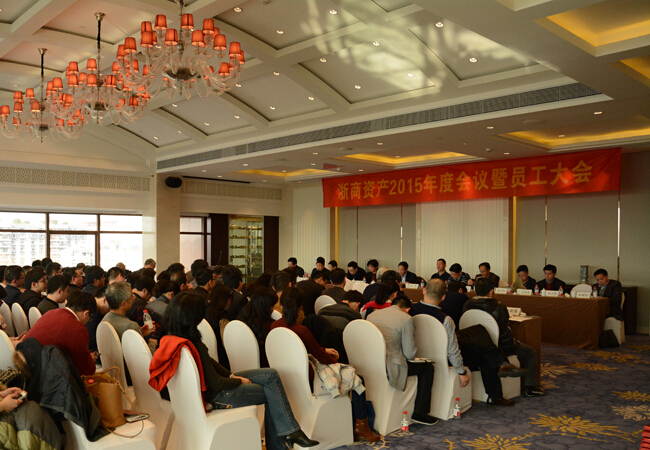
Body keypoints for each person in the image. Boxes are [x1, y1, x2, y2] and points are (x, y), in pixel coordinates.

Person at [150, 292, 319, 450]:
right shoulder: (194, 344)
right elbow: (217, 383)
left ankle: (289, 432)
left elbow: (211, 364)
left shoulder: (174, 338)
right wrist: (238, 380)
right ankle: (282, 441)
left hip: (209, 392)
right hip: (218, 395)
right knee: (271, 392)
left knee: (271, 375)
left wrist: (231, 374)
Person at [271, 288, 380, 442]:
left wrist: (323, 349)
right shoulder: (301, 330)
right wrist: (340, 365)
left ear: (281, 305)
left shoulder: (275, 326)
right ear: (301, 308)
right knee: (357, 378)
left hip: (287, 377)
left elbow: (301, 349)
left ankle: (359, 426)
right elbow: (322, 358)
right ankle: (361, 425)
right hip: (309, 379)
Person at [463, 278, 545, 397]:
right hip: (500, 346)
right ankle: (530, 387)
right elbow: (504, 325)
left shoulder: (467, 304)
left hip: (475, 345)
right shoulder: (498, 305)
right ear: (491, 291)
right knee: (531, 352)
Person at [367, 295, 437, 425]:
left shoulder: (372, 315)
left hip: (369, 363)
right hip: (390, 365)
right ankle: (420, 413)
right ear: (407, 309)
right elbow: (410, 354)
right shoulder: (406, 319)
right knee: (428, 368)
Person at [409, 279, 470, 388]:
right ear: (443, 297)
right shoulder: (445, 319)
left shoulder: (409, 311)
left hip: (413, 358)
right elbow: (452, 349)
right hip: (440, 361)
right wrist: (461, 372)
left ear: (424, 291)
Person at [25, 290, 98, 376]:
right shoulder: (78, 328)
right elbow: (85, 370)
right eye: (90, 317)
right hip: (39, 373)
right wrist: (90, 360)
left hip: (24, 359)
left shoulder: (51, 312)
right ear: (86, 313)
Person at [102, 281, 157, 354]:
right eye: (132, 296)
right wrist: (152, 344)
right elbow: (142, 356)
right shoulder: (131, 325)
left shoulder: (105, 319)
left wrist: (140, 333)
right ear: (124, 303)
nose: (134, 299)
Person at [238, 288, 277, 368]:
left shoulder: (241, 320)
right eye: (272, 306)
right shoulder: (268, 327)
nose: (273, 310)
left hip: (240, 364)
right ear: (265, 307)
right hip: (265, 369)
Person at [206, 284, 233, 370]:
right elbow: (226, 340)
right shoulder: (222, 315)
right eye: (230, 300)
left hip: (208, 353)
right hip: (221, 357)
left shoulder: (205, 309)